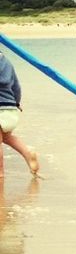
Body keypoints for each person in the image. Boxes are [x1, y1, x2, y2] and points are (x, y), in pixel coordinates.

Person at [0, 49, 40, 179]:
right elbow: (16, 87)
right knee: (7, 137)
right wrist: (16, 103)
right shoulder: (7, 63)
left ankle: (0, 173)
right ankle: (27, 152)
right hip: (10, 109)